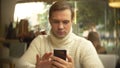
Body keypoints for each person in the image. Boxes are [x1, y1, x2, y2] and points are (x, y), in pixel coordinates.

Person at [16, 1, 104, 68]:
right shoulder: (39, 41)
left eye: (65, 22)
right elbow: (19, 65)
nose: (60, 27)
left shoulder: (84, 45)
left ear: (72, 21)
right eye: (56, 21)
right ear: (50, 21)